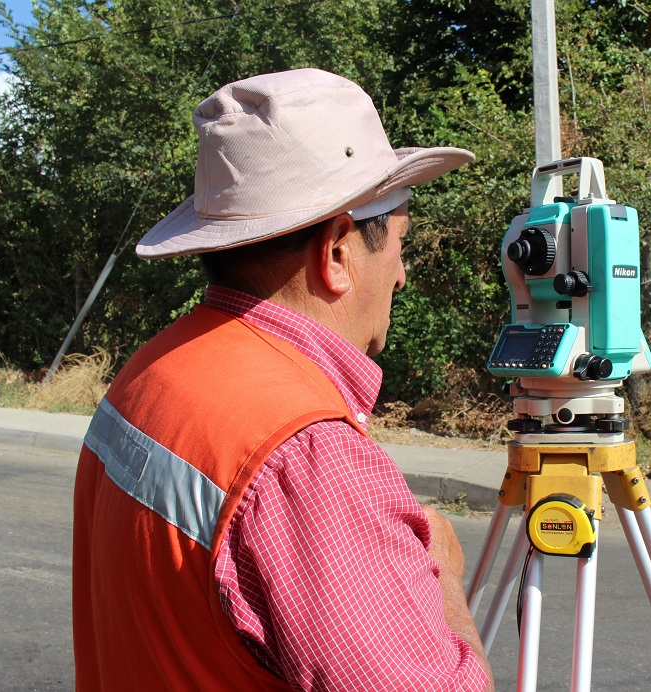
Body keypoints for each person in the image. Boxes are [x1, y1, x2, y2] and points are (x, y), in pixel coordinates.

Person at [72, 68, 494, 691]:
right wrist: (446, 582)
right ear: (338, 251)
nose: (402, 274)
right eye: (400, 244)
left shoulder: (151, 369)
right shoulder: (309, 455)